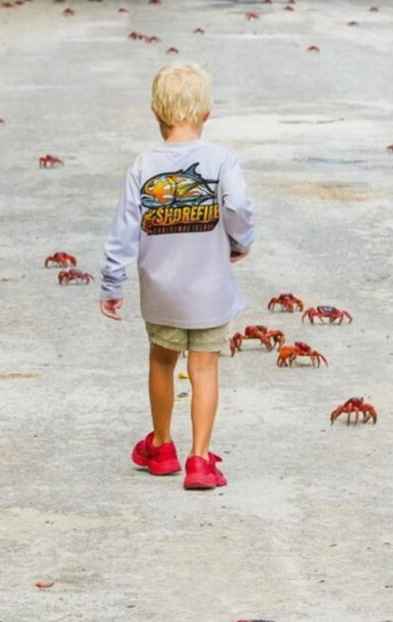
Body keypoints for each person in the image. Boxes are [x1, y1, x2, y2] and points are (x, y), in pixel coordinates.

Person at [99, 63, 255, 490]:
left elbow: (123, 229)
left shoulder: (143, 164)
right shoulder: (223, 160)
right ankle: (200, 460)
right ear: (207, 113)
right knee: (204, 368)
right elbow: (238, 209)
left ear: (156, 112)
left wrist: (113, 283)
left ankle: (162, 446)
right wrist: (240, 243)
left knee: (162, 361)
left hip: (161, 291)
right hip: (210, 291)